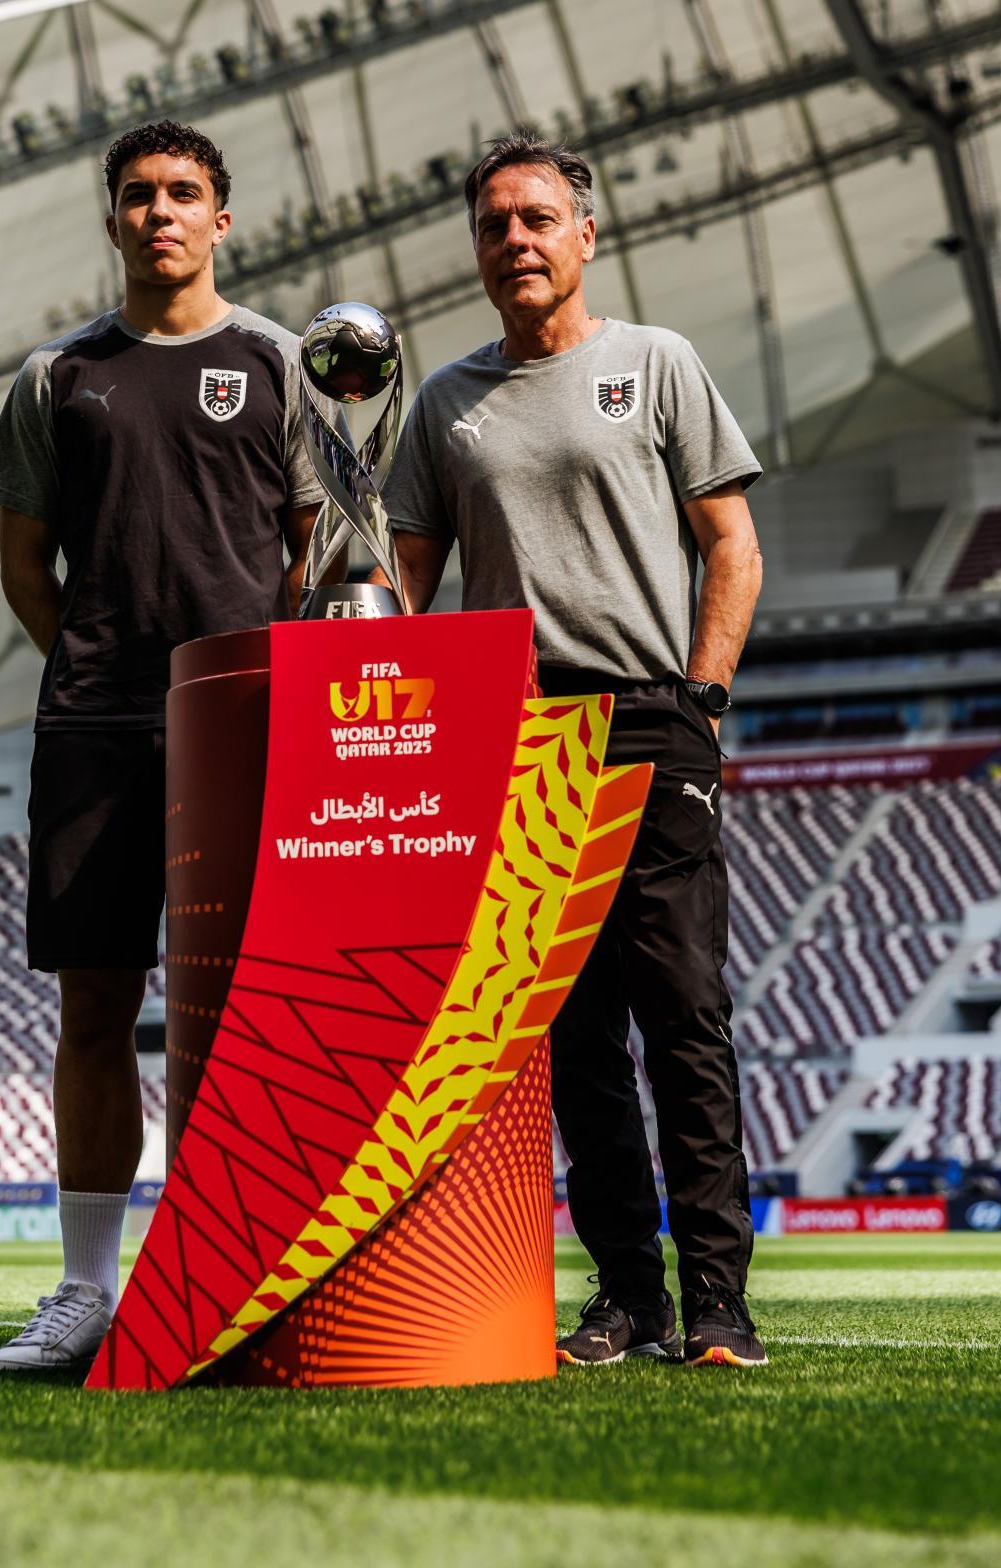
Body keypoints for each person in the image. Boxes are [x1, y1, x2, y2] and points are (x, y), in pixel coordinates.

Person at [381, 132, 767, 1369]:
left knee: (685, 1017)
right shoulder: (443, 401)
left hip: (653, 715)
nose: (516, 240)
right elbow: (401, 584)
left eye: (538, 218)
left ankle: (717, 1300)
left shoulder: (654, 363)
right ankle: (626, 1297)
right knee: (573, 1032)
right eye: (495, 223)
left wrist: (703, 700)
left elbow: (732, 544)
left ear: (584, 236)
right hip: (512, 734)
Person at [0, 118, 322, 1373]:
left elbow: (314, 548)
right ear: (112, 219)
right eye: (137, 195)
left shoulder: (285, 361)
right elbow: (23, 564)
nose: (158, 212)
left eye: (183, 193)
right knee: (95, 1005)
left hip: (249, 727)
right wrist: (99, 666)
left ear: (222, 218)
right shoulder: (55, 375)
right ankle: (83, 1290)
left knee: (241, 1013)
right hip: (99, 727)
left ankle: (227, 1271)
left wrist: (238, 682)